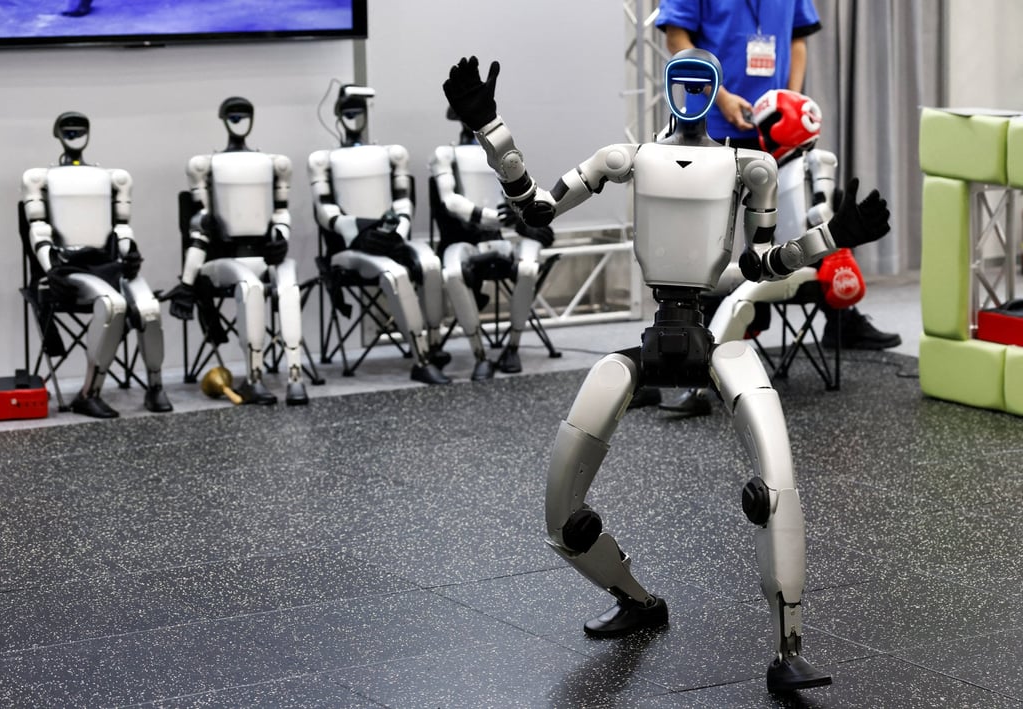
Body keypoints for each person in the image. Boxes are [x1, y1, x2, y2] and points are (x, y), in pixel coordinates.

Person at [444, 51, 890, 693]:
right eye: (680, 83)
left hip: (713, 339)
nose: (689, 94)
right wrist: (492, 130)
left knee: (776, 483)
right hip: (653, 338)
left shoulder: (750, 166)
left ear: (713, 92)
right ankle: (637, 600)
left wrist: (831, 236)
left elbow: (761, 262)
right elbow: (537, 210)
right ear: (667, 88)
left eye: (700, 84)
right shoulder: (625, 159)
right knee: (560, 507)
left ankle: (788, 648)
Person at [654, 0, 900, 415]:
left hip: (778, 128)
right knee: (707, 245)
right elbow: (678, 38)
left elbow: (797, 39)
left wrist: (790, 101)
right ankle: (697, 369)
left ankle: (842, 319)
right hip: (715, 125)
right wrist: (722, 98)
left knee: (816, 210)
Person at [22, 111, 173, 418]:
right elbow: (38, 231)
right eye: (68, 129)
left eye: (79, 129)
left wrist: (130, 254)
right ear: (58, 133)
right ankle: (88, 392)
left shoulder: (113, 178)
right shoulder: (40, 178)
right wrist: (51, 267)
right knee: (112, 303)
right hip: (70, 268)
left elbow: (122, 228)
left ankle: (155, 386)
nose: (74, 134)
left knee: (149, 308)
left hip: (109, 264)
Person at [166, 96, 309, 406]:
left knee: (289, 284)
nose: (239, 119)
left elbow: (281, 212)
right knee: (251, 287)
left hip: (265, 252)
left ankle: (295, 374)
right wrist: (188, 283)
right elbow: (200, 226)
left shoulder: (273, 164)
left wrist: (280, 237)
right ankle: (254, 376)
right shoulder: (206, 166)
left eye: (244, 114)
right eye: (233, 114)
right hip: (224, 259)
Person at [309, 84, 451, 385]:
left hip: (390, 237)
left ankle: (434, 343)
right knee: (394, 272)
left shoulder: (391, 155)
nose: (353, 118)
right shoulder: (323, 160)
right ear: (337, 115)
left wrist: (397, 231)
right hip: (350, 247)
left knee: (430, 262)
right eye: (347, 112)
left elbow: (402, 200)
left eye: (358, 111)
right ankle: (420, 358)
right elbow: (325, 211)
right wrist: (359, 232)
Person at [429, 107, 554, 380]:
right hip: (463, 238)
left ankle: (513, 347)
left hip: (495, 239)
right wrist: (493, 217)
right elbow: (450, 201)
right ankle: (479, 355)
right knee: (452, 272)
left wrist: (523, 217)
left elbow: (521, 193)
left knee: (529, 267)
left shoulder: (501, 155)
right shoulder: (446, 155)